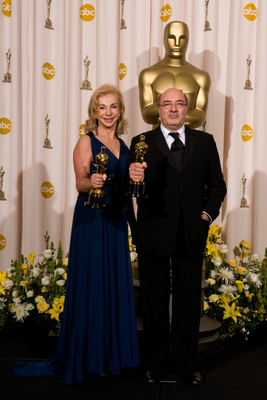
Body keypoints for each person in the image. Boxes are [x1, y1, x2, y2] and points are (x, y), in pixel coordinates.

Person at [12, 84, 140, 384]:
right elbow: (80, 183)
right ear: (94, 111)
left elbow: (128, 191)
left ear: (120, 110)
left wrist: (135, 226)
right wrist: (92, 180)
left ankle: (112, 357)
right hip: (92, 221)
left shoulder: (126, 145)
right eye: (102, 107)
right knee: (94, 285)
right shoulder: (86, 141)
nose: (108, 112)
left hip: (117, 222)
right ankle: (88, 357)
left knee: (115, 287)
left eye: (113, 107)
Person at [128, 88, 226, 385]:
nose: (173, 109)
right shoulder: (140, 142)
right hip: (153, 233)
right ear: (157, 110)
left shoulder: (205, 141)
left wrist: (206, 217)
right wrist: (133, 177)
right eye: (166, 104)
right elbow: (128, 188)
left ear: (187, 109)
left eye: (179, 103)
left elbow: (217, 186)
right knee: (154, 303)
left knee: (187, 303)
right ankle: (155, 362)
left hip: (190, 235)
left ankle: (187, 362)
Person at [138, 21, 211, 129]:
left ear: (188, 40)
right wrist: (182, 114)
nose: (177, 43)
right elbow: (147, 116)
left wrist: (164, 113)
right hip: (157, 142)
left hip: (190, 142)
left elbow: (200, 117)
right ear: (164, 40)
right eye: (172, 37)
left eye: (182, 38)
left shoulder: (201, 77)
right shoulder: (148, 75)